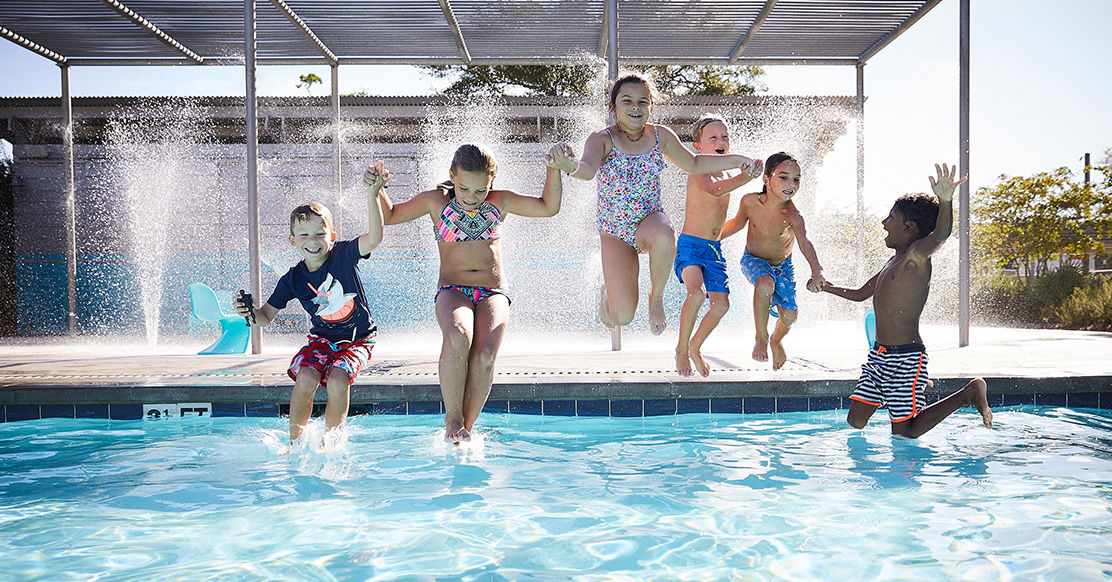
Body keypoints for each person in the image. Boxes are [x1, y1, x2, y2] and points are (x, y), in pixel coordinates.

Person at [374, 143, 565, 444]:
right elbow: (391, 215)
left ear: (492, 181)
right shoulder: (436, 202)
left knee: (486, 355)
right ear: (452, 175)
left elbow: (548, 207)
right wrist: (377, 190)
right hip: (452, 289)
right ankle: (452, 418)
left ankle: (466, 429)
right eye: (464, 189)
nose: (472, 198)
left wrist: (552, 169)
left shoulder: (499, 202)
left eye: (481, 190)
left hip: (493, 292)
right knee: (458, 336)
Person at [554, 73, 760, 335]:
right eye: (627, 101)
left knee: (665, 234)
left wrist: (737, 160)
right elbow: (586, 169)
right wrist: (569, 166)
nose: (635, 107)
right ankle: (606, 294)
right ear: (613, 107)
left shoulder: (660, 136)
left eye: (643, 102)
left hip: (650, 220)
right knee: (622, 316)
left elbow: (694, 163)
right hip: (615, 232)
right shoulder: (602, 139)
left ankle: (657, 297)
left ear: (651, 106)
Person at [821, 163, 993, 437]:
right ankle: (924, 389)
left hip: (906, 359)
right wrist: (826, 287)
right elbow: (858, 294)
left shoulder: (916, 257)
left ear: (910, 227)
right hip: (879, 357)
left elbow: (941, 235)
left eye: (891, 217)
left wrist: (945, 200)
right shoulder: (893, 262)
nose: (883, 223)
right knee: (855, 420)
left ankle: (968, 394)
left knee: (905, 433)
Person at [233, 163, 387, 444]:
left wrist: (373, 195)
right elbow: (265, 316)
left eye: (320, 233)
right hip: (322, 340)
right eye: (304, 235)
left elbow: (375, 238)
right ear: (292, 240)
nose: (312, 241)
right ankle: (295, 444)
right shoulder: (293, 278)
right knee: (306, 377)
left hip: (358, 340)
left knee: (339, 379)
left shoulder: (343, 255)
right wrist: (250, 315)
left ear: (333, 237)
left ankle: (331, 442)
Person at [673, 115, 762, 377]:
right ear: (698, 146)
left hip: (713, 249)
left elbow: (725, 224)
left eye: (725, 137)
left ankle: (694, 347)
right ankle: (680, 350)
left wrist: (750, 216)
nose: (721, 141)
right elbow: (715, 190)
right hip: (690, 246)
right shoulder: (699, 169)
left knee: (722, 305)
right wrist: (745, 178)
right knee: (696, 293)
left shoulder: (727, 174)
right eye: (713, 137)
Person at [720, 151, 825, 370]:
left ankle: (777, 341)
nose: (791, 183)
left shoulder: (793, 216)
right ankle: (761, 337)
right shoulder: (750, 202)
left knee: (789, 316)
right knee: (765, 283)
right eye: (784, 177)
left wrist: (817, 272)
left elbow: (804, 243)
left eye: (796, 179)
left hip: (783, 267)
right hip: (753, 260)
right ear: (766, 179)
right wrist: (711, 235)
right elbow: (737, 224)